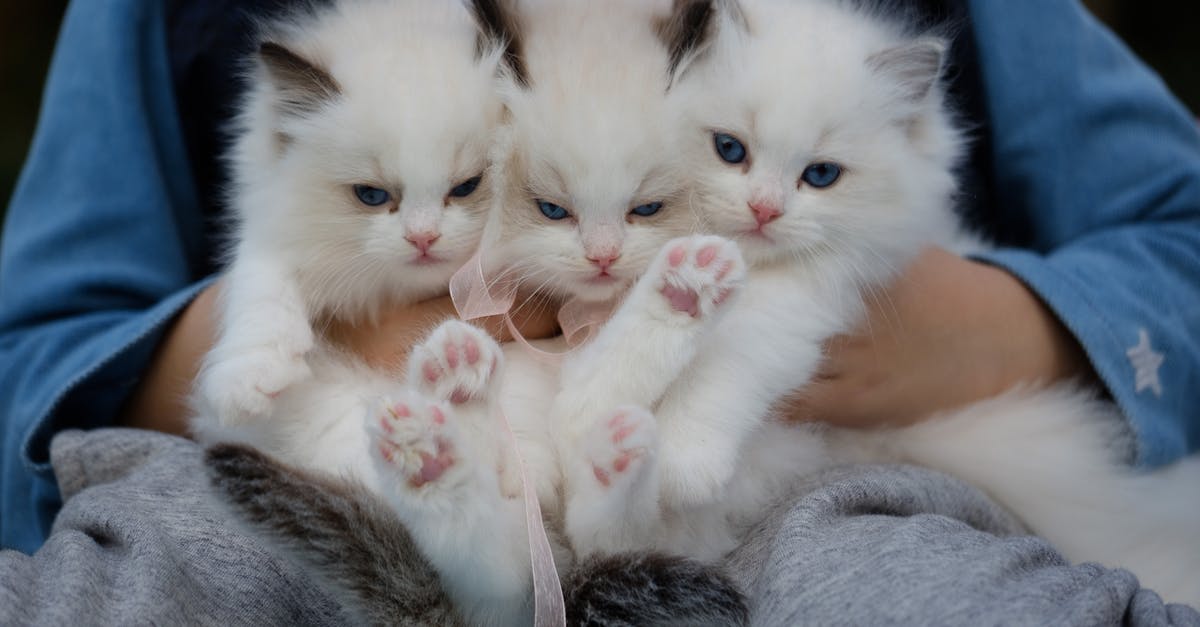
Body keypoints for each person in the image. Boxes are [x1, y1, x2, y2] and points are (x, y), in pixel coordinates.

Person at [0, 0, 1197, 622]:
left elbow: (1178, 227)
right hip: (342, 485)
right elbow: (34, 349)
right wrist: (323, 320)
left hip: (807, 480)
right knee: (167, 568)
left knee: (904, 582)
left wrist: (991, 329)